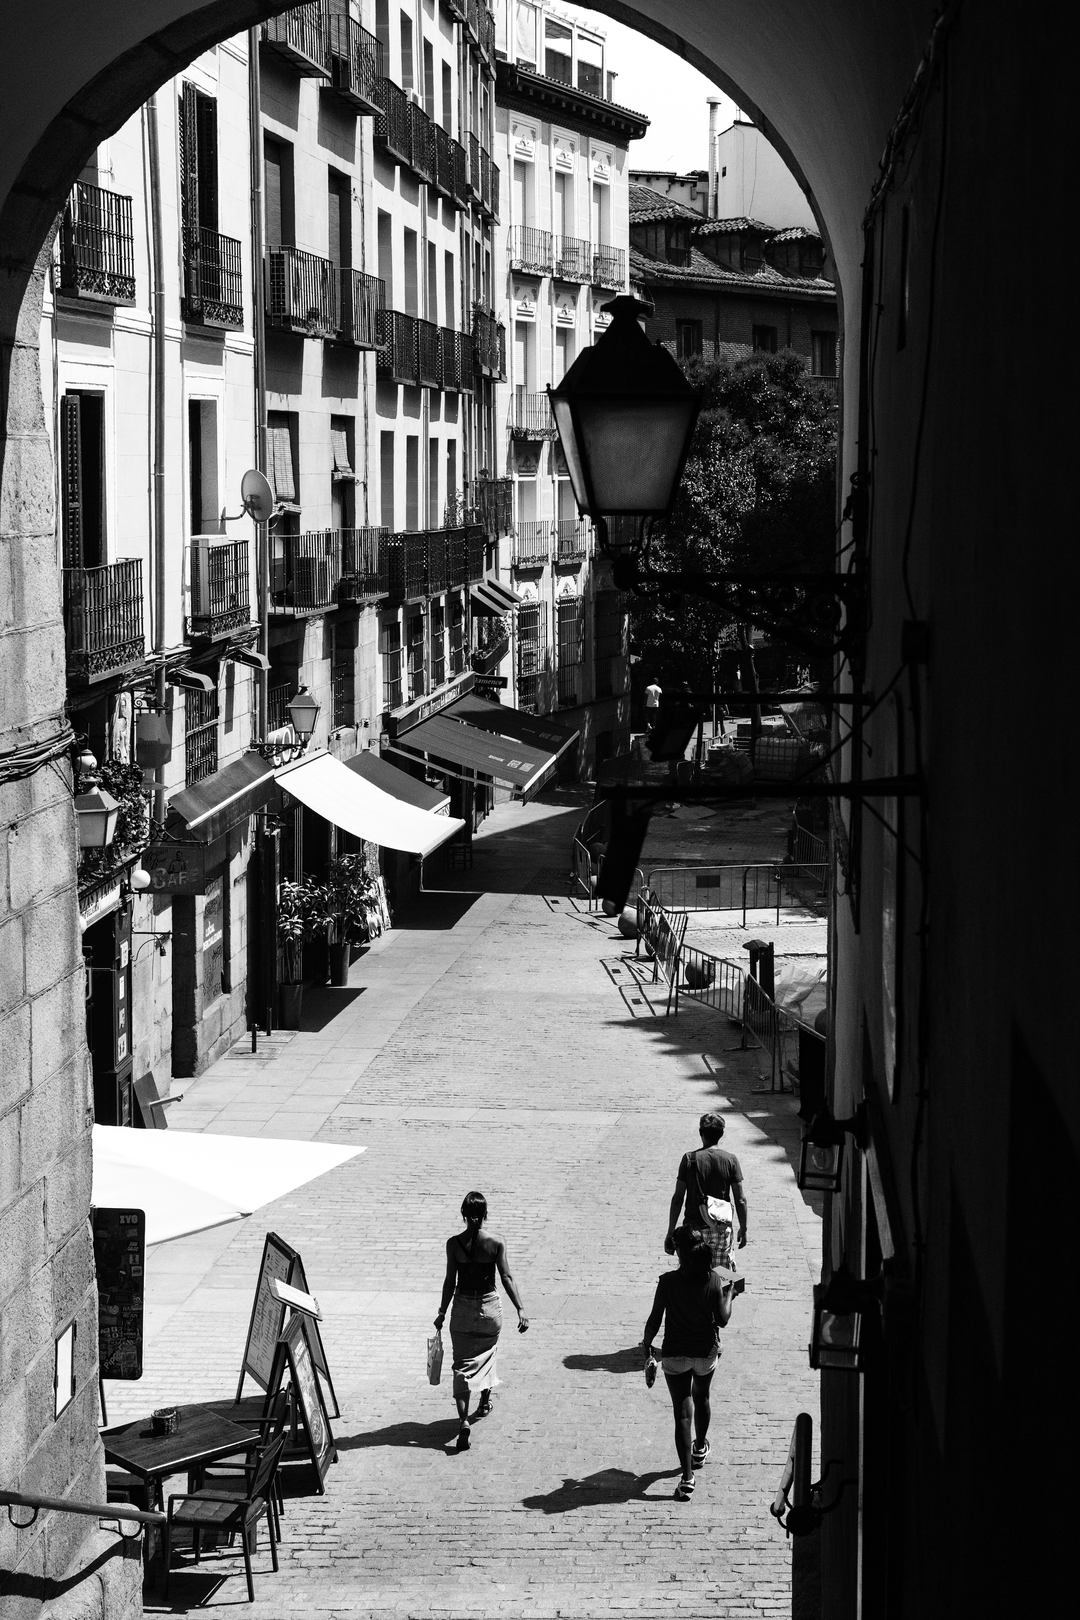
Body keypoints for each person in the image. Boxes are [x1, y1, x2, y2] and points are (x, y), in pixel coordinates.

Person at [643, 1227, 735, 1500]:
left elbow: (654, 1320)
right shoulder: (715, 1279)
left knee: (682, 1414)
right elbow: (722, 1320)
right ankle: (699, 1447)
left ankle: (687, 1478)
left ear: (679, 1252)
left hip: (674, 1355)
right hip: (705, 1353)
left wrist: (646, 1346)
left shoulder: (668, 1281)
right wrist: (730, 1294)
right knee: (702, 1397)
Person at [434, 1191, 528, 1450]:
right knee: (487, 1356)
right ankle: (484, 1402)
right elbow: (507, 1278)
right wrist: (520, 1309)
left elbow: (449, 1282)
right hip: (489, 1309)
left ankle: (463, 1420)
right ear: (485, 1215)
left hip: (462, 1308)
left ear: (463, 1214)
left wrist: (442, 1312)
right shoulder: (496, 1242)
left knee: (461, 1366)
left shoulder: (453, 1244)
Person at [665, 1112, 748, 1268]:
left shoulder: (689, 1159)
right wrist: (743, 1229)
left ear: (700, 1133)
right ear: (721, 1134)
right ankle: (722, 1292)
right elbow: (740, 1199)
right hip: (720, 1229)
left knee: (692, 1275)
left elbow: (678, 1199)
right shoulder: (731, 1160)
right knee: (722, 1277)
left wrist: (670, 1232)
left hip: (693, 1231)